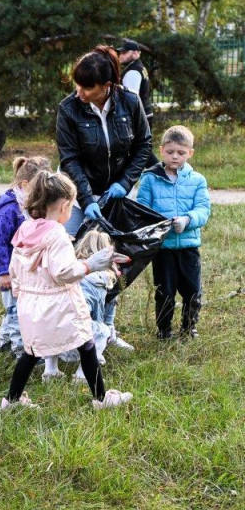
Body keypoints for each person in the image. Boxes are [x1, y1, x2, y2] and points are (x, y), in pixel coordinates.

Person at [1, 171, 133, 411]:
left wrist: (21, 293)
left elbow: (14, 268)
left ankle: (11, 401)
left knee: (31, 352)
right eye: (72, 206)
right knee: (86, 344)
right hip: (60, 305)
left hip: (31, 304)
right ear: (64, 206)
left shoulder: (26, 229)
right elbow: (63, 272)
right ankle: (101, 399)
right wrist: (90, 264)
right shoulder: (57, 235)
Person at [56, 44, 152, 351]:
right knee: (71, 257)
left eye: (88, 87)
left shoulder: (130, 102)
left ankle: (106, 329)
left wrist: (125, 182)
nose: (80, 92)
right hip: (79, 193)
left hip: (118, 193)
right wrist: (87, 200)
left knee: (113, 259)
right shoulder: (68, 109)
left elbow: (143, 145)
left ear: (107, 86)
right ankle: (70, 333)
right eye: (77, 85)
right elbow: (70, 159)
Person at [136, 125, 211, 340]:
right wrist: (161, 224)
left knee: (192, 290)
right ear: (161, 151)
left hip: (189, 246)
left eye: (181, 152)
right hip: (163, 248)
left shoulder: (197, 180)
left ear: (190, 153)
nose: (175, 157)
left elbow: (203, 210)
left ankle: (189, 328)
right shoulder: (150, 179)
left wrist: (188, 220)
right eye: (170, 152)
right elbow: (143, 209)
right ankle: (164, 330)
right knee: (165, 291)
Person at [0, 156, 51, 358]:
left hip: (25, 270)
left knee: (15, 308)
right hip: (10, 272)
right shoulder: (7, 211)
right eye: (40, 188)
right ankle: (19, 350)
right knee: (16, 311)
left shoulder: (28, 205)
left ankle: (3, 341)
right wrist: (3, 272)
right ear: (25, 184)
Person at [41, 229, 117, 382]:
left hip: (48, 331)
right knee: (102, 331)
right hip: (75, 335)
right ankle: (82, 375)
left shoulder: (69, 270)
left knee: (53, 321)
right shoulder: (101, 280)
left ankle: (50, 370)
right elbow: (96, 315)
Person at [118, 39, 152, 121]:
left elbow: (130, 99)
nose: (120, 55)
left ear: (135, 53)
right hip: (144, 114)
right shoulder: (140, 67)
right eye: (121, 52)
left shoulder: (133, 71)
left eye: (124, 52)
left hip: (137, 118)